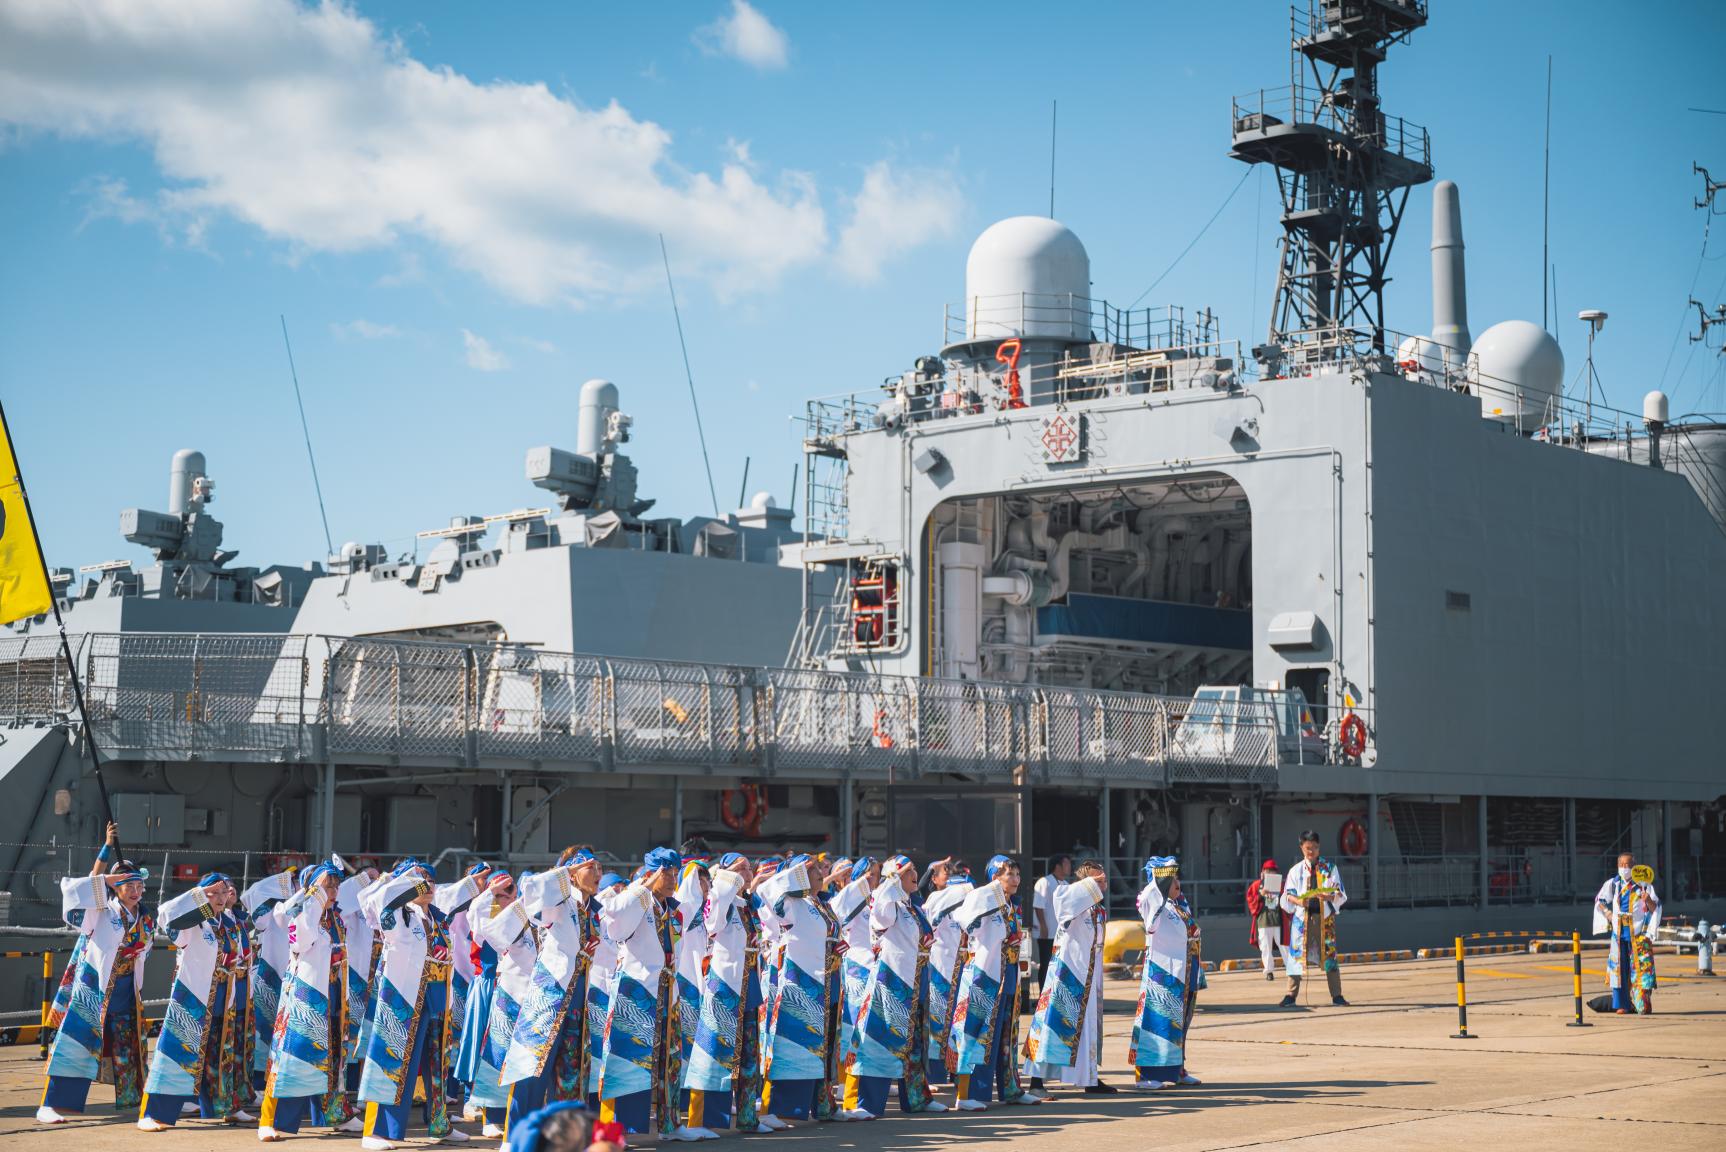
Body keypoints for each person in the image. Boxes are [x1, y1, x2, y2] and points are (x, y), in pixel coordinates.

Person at [356, 860, 486, 1150]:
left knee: (436, 1063)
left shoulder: (438, 918)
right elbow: (378, 902)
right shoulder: (400, 916)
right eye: (418, 880)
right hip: (403, 995)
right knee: (393, 1059)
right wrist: (405, 879)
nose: (426, 885)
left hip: (436, 995)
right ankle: (375, 1130)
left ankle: (440, 1122)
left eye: (429, 880)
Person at [38, 824, 153, 1125]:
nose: (136, 891)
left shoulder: (145, 918)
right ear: (115, 887)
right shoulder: (101, 912)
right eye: (129, 886)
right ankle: (52, 1103)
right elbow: (81, 889)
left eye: (139, 886)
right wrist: (106, 851)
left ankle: (139, 1101)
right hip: (96, 989)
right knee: (77, 1042)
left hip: (127, 990)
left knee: (130, 1045)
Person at [595, 847, 693, 1139]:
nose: (672, 878)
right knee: (625, 1058)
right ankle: (613, 1131)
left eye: (675, 872)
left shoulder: (672, 908)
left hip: (667, 989)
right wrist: (644, 885)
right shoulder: (636, 899)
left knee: (669, 1059)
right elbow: (613, 920)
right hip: (635, 991)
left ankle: (670, 1123)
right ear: (651, 874)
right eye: (666, 873)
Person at [502, 851, 603, 1129]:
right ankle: (518, 1135)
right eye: (590, 868)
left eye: (599, 868)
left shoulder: (592, 907)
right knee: (534, 1065)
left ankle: (565, 1136)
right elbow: (533, 889)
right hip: (552, 993)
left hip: (580, 993)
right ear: (571, 874)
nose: (597, 874)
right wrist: (565, 871)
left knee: (571, 1068)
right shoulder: (560, 901)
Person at [844, 854, 948, 1120]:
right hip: (890, 982)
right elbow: (879, 919)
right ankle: (869, 1103)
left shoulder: (910, 905)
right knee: (880, 1039)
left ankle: (916, 1098)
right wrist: (890, 882)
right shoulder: (887, 902)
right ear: (896, 876)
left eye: (915, 869)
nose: (916, 874)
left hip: (915, 979)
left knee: (914, 1042)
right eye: (910, 870)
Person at [137, 872, 240, 1130]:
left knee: (215, 1056)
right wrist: (197, 897)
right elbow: (165, 915)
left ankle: (219, 1109)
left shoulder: (228, 923)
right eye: (212, 893)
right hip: (192, 998)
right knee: (174, 1055)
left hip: (221, 999)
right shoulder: (193, 924)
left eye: (223, 892)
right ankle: (152, 1114)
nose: (219, 897)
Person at [257, 861, 351, 1141]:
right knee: (289, 1056)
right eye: (327, 884)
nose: (332, 890)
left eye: (335, 885)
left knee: (334, 1053)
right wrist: (314, 898)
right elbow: (301, 943)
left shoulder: (336, 918)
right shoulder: (302, 915)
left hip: (333, 991)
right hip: (305, 995)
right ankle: (269, 1119)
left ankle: (335, 1112)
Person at [949, 855, 1042, 1110]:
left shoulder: (1014, 906)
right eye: (1009, 874)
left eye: (1017, 875)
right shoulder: (983, 899)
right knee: (975, 1032)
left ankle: (1011, 1088)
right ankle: (966, 1094)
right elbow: (966, 922)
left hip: (1008, 973)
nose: (1015, 879)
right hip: (984, 975)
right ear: (994, 878)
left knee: (1007, 1034)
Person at [683, 854, 765, 1134]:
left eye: (748, 867)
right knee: (713, 1050)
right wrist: (726, 881)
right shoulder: (719, 900)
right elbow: (712, 925)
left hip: (750, 980)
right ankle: (702, 1119)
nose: (747, 871)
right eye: (739, 868)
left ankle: (746, 1116)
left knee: (749, 1052)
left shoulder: (748, 904)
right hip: (724, 984)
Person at [758, 855, 839, 1126]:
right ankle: (781, 1108)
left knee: (821, 1044)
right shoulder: (791, 903)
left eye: (817, 868)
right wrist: (797, 869)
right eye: (811, 869)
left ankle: (822, 1104)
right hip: (798, 982)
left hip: (822, 980)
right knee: (794, 1044)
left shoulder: (817, 902)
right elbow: (765, 890)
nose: (818, 872)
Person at [1023, 859, 1115, 1095]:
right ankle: (1036, 1082)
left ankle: (1090, 1078)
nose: (1101, 884)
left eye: (1103, 879)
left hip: (1088, 976)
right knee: (1052, 1026)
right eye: (1096, 880)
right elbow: (1062, 903)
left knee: (1087, 1030)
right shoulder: (1069, 900)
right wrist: (1088, 885)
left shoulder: (1096, 909)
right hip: (1067, 975)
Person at [459, 869, 532, 1137]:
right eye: (497, 893)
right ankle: (484, 1109)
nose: (503, 897)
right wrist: (488, 892)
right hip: (491, 986)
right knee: (487, 1048)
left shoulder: (526, 915)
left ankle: (514, 1111)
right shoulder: (485, 919)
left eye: (509, 890)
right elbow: (474, 913)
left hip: (523, 991)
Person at [1128, 855, 1202, 1090]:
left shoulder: (1178, 904)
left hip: (1183, 970)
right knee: (1156, 1021)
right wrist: (1159, 897)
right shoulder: (1153, 899)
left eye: (1177, 877)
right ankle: (1146, 1074)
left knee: (1179, 1023)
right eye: (1172, 879)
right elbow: (1151, 927)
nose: (1177, 883)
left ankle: (1176, 1068)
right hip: (1162, 972)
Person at [241, 866, 299, 1096]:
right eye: (290, 882)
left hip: (295, 972)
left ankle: (284, 1079)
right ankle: (258, 1082)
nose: (294, 886)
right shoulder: (272, 908)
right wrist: (277, 883)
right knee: (265, 1027)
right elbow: (254, 900)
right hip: (272, 971)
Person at [1278, 831, 1349, 1007]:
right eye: (1308, 848)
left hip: (1325, 919)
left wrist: (1329, 897)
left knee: (1330, 956)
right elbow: (1288, 895)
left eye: (1315, 848)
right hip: (1302, 919)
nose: (1312, 851)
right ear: (1301, 847)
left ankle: (1337, 995)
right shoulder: (1295, 871)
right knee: (1295, 957)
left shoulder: (1330, 868)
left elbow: (1340, 893)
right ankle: (1290, 995)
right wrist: (1299, 901)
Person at [1593, 853, 1662, 1014]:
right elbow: (1599, 900)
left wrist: (1648, 900)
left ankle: (1642, 1003)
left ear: (1634, 866)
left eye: (1628, 865)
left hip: (1638, 934)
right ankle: (1622, 1004)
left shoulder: (1643, 885)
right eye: (1622, 865)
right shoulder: (1613, 884)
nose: (1625, 868)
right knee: (1618, 969)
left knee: (1641, 969)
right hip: (1618, 934)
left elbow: (1656, 908)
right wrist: (1608, 914)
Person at [922, 865, 971, 1088]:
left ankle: (955, 1068)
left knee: (957, 1018)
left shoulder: (964, 904)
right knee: (938, 1017)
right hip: (940, 965)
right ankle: (934, 1073)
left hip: (959, 964)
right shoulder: (935, 899)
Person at [671, 858, 711, 1133]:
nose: (706, 883)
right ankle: (679, 1111)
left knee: (700, 1045)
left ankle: (696, 1114)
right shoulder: (682, 908)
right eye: (700, 877)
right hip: (685, 982)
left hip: (702, 981)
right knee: (683, 1046)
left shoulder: (708, 911)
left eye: (707, 878)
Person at [1032, 855, 1072, 994]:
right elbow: (1038, 905)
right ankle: (1043, 994)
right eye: (1066, 864)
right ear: (1057, 866)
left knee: (1060, 966)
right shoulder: (1044, 882)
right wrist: (1043, 925)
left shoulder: (1066, 884)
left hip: (1062, 934)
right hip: (1047, 933)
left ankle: (1056, 994)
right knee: (1046, 965)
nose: (1069, 867)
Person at [1245, 859, 1287, 981]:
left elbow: (1287, 900)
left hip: (1278, 920)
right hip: (1264, 921)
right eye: (1268, 870)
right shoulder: (1256, 886)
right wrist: (1260, 895)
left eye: (1273, 871)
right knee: (1265, 947)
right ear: (1262, 872)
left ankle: (1291, 970)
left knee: (1284, 946)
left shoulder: (1281, 885)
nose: (1270, 873)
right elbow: (1250, 901)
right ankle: (1269, 971)